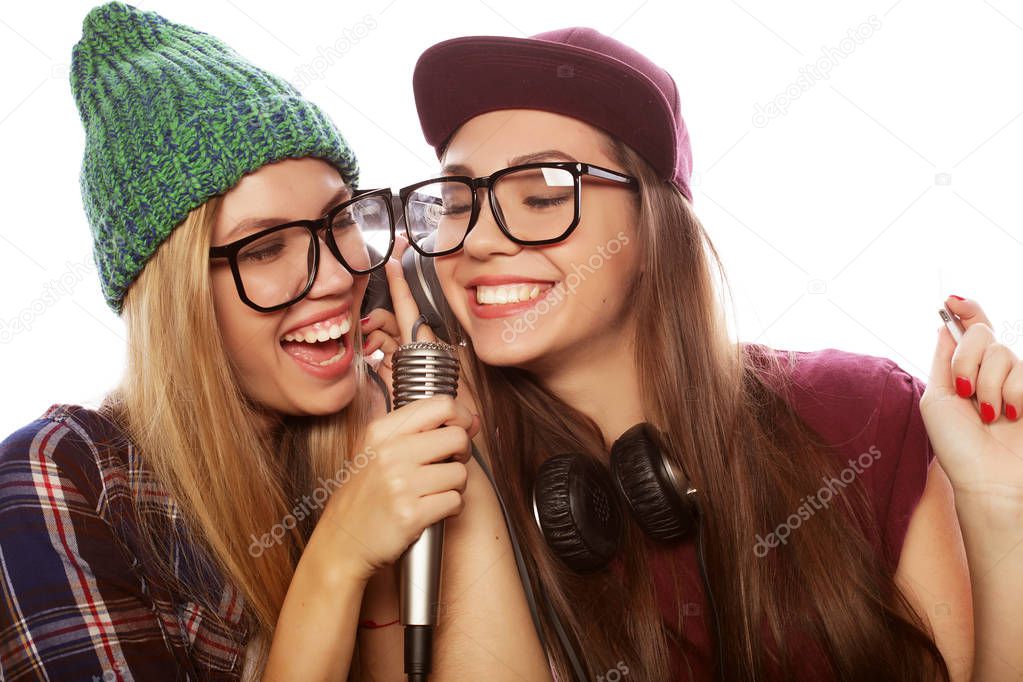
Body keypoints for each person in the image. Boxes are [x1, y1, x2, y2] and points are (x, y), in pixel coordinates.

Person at [380, 27, 1021, 680]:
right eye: (455, 203)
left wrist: (1002, 512)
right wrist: (455, 447)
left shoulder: (863, 416)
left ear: (653, 224)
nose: (479, 240)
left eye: (542, 194)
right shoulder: (440, 489)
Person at [0, 4, 549, 680]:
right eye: (265, 249)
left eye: (339, 222)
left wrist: (426, 412)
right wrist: (338, 555)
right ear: (177, 298)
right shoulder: (62, 477)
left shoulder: (360, 436)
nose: (341, 274)